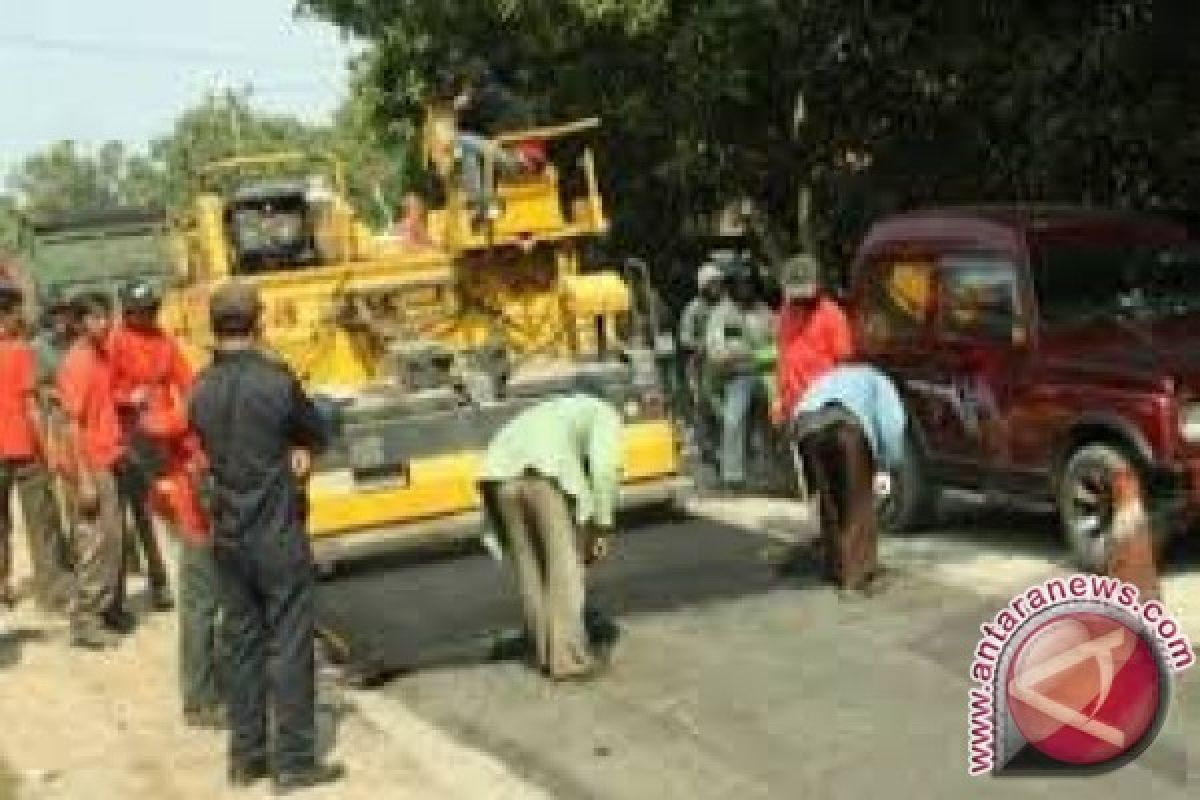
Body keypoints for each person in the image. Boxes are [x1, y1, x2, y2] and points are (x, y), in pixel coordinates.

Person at [188, 280, 342, 792]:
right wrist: (297, 450)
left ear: (214, 327)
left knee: (242, 644)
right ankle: (295, 761)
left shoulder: (201, 388)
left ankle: (246, 757)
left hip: (228, 534)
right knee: (291, 643)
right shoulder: (276, 381)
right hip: (276, 530)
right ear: (258, 322)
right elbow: (317, 430)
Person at [478, 382, 621, 681]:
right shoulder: (604, 412)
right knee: (563, 567)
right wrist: (603, 527)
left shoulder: (551, 411)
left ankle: (545, 652)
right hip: (540, 472)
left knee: (529, 568)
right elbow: (605, 468)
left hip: (496, 476)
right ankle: (569, 661)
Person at [789, 364, 907, 594]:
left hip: (805, 428)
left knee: (830, 501)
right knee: (858, 504)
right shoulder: (882, 381)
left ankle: (837, 567)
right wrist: (889, 463)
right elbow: (893, 426)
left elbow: (800, 406)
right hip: (845, 427)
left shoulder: (833, 376)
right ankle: (857, 578)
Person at [56, 292, 129, 647]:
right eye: (98, 318)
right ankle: (86, 619)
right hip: (90, 464)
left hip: (107, 457)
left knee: (113, 538)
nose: (106, 324)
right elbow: (71, 424)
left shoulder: (100, 355)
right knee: (94, 542)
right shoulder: (78, 363)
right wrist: (83, 478)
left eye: (107, 317)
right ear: (82, 322)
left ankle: (109, 609)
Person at [0, 283, 72, 613]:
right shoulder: (19, 350)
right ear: (8, 314)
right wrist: (50, 450)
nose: (21, 318)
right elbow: (31, 406)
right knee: (41, 522)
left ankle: (2, 586)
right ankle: (50, 591)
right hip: (25, 450)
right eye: (17, 312)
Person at [109, 280, 178, 612]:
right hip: (133, 435)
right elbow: (105, 391)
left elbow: (185, 377)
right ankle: (159, 581)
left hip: (166, 432)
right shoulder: (115, 342)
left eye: (153, 309)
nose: (150, 315)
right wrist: (127, 397)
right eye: (143, 311)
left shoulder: (164, 339)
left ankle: (182, 573)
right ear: (128, 313)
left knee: (176, 505)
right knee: (144, 511)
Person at [704, 262, 776, 490]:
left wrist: (750, 353)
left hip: (767, 374)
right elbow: (717, 352)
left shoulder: (764, 311)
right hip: (736, 378)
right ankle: (733, 476)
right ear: (732, 287)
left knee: (776, 422)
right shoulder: (721, 314)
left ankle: (775, 473)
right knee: (733, 421)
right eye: (740, 285)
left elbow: (779, 343)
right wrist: (751, 353)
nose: (745, 289)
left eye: (749, 284)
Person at [772, 254, 855, 424]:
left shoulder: (832, 315)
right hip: (792, 406)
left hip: (823, 405)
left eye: (804, 295)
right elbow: (783, 356)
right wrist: (779, 398)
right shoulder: (786, 312)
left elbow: (845, 363)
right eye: (795, 295)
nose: (800, 300)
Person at [449, 59, 535, 222]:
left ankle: (480, 204)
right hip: (520, 157)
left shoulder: (487, 96)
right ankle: (486, 204)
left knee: (461, 141)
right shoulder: (504, 98)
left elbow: (463, 120)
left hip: (519, 160)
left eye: (466, 85)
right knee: (470, 150)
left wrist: (459, 105)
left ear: (473, 82)